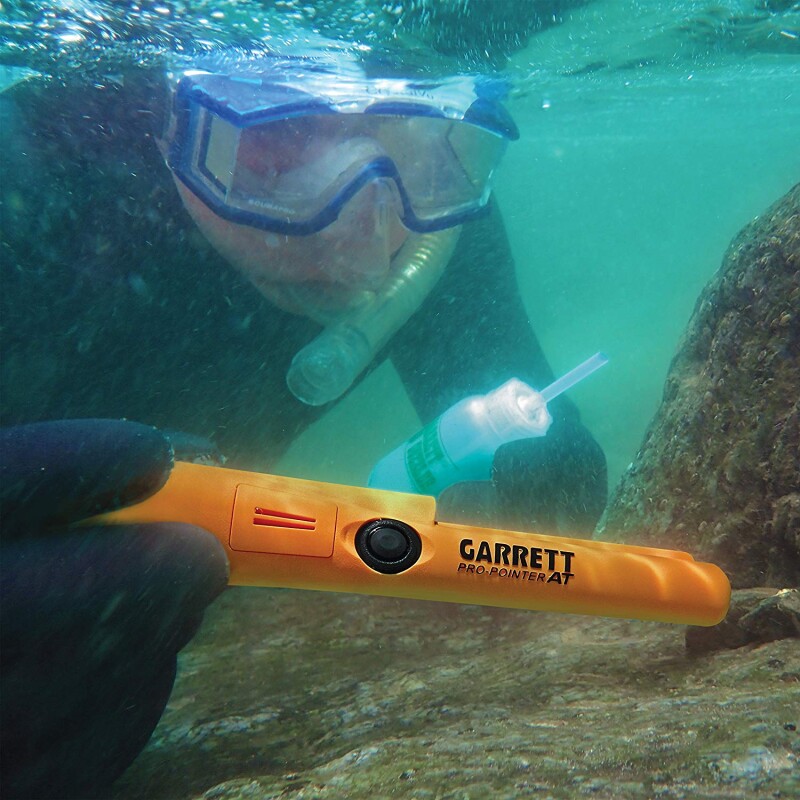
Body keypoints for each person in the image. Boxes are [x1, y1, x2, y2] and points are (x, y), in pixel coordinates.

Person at [0, 47, 606, 800]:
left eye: (416, 147)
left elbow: (514, 409)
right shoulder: (36, 172)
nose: (362, 234)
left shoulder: (436, 218)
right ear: (166, 129)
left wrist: (553, 475)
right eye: (277, 142)